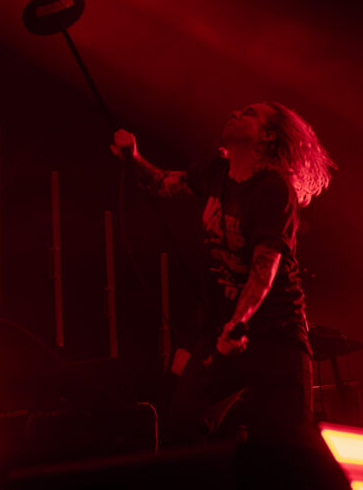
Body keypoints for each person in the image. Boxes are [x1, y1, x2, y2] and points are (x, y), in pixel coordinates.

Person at [111, 101, 345, 487]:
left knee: (289, 453)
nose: (236, 113)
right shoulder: (215, 174)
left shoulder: (272, 190)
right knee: (182, 431)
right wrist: (132, 156)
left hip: (276, 337)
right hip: (222, 335)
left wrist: (238, 323)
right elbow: (160, 184)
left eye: (249, 113)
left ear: (267, 136)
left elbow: (264, 268)